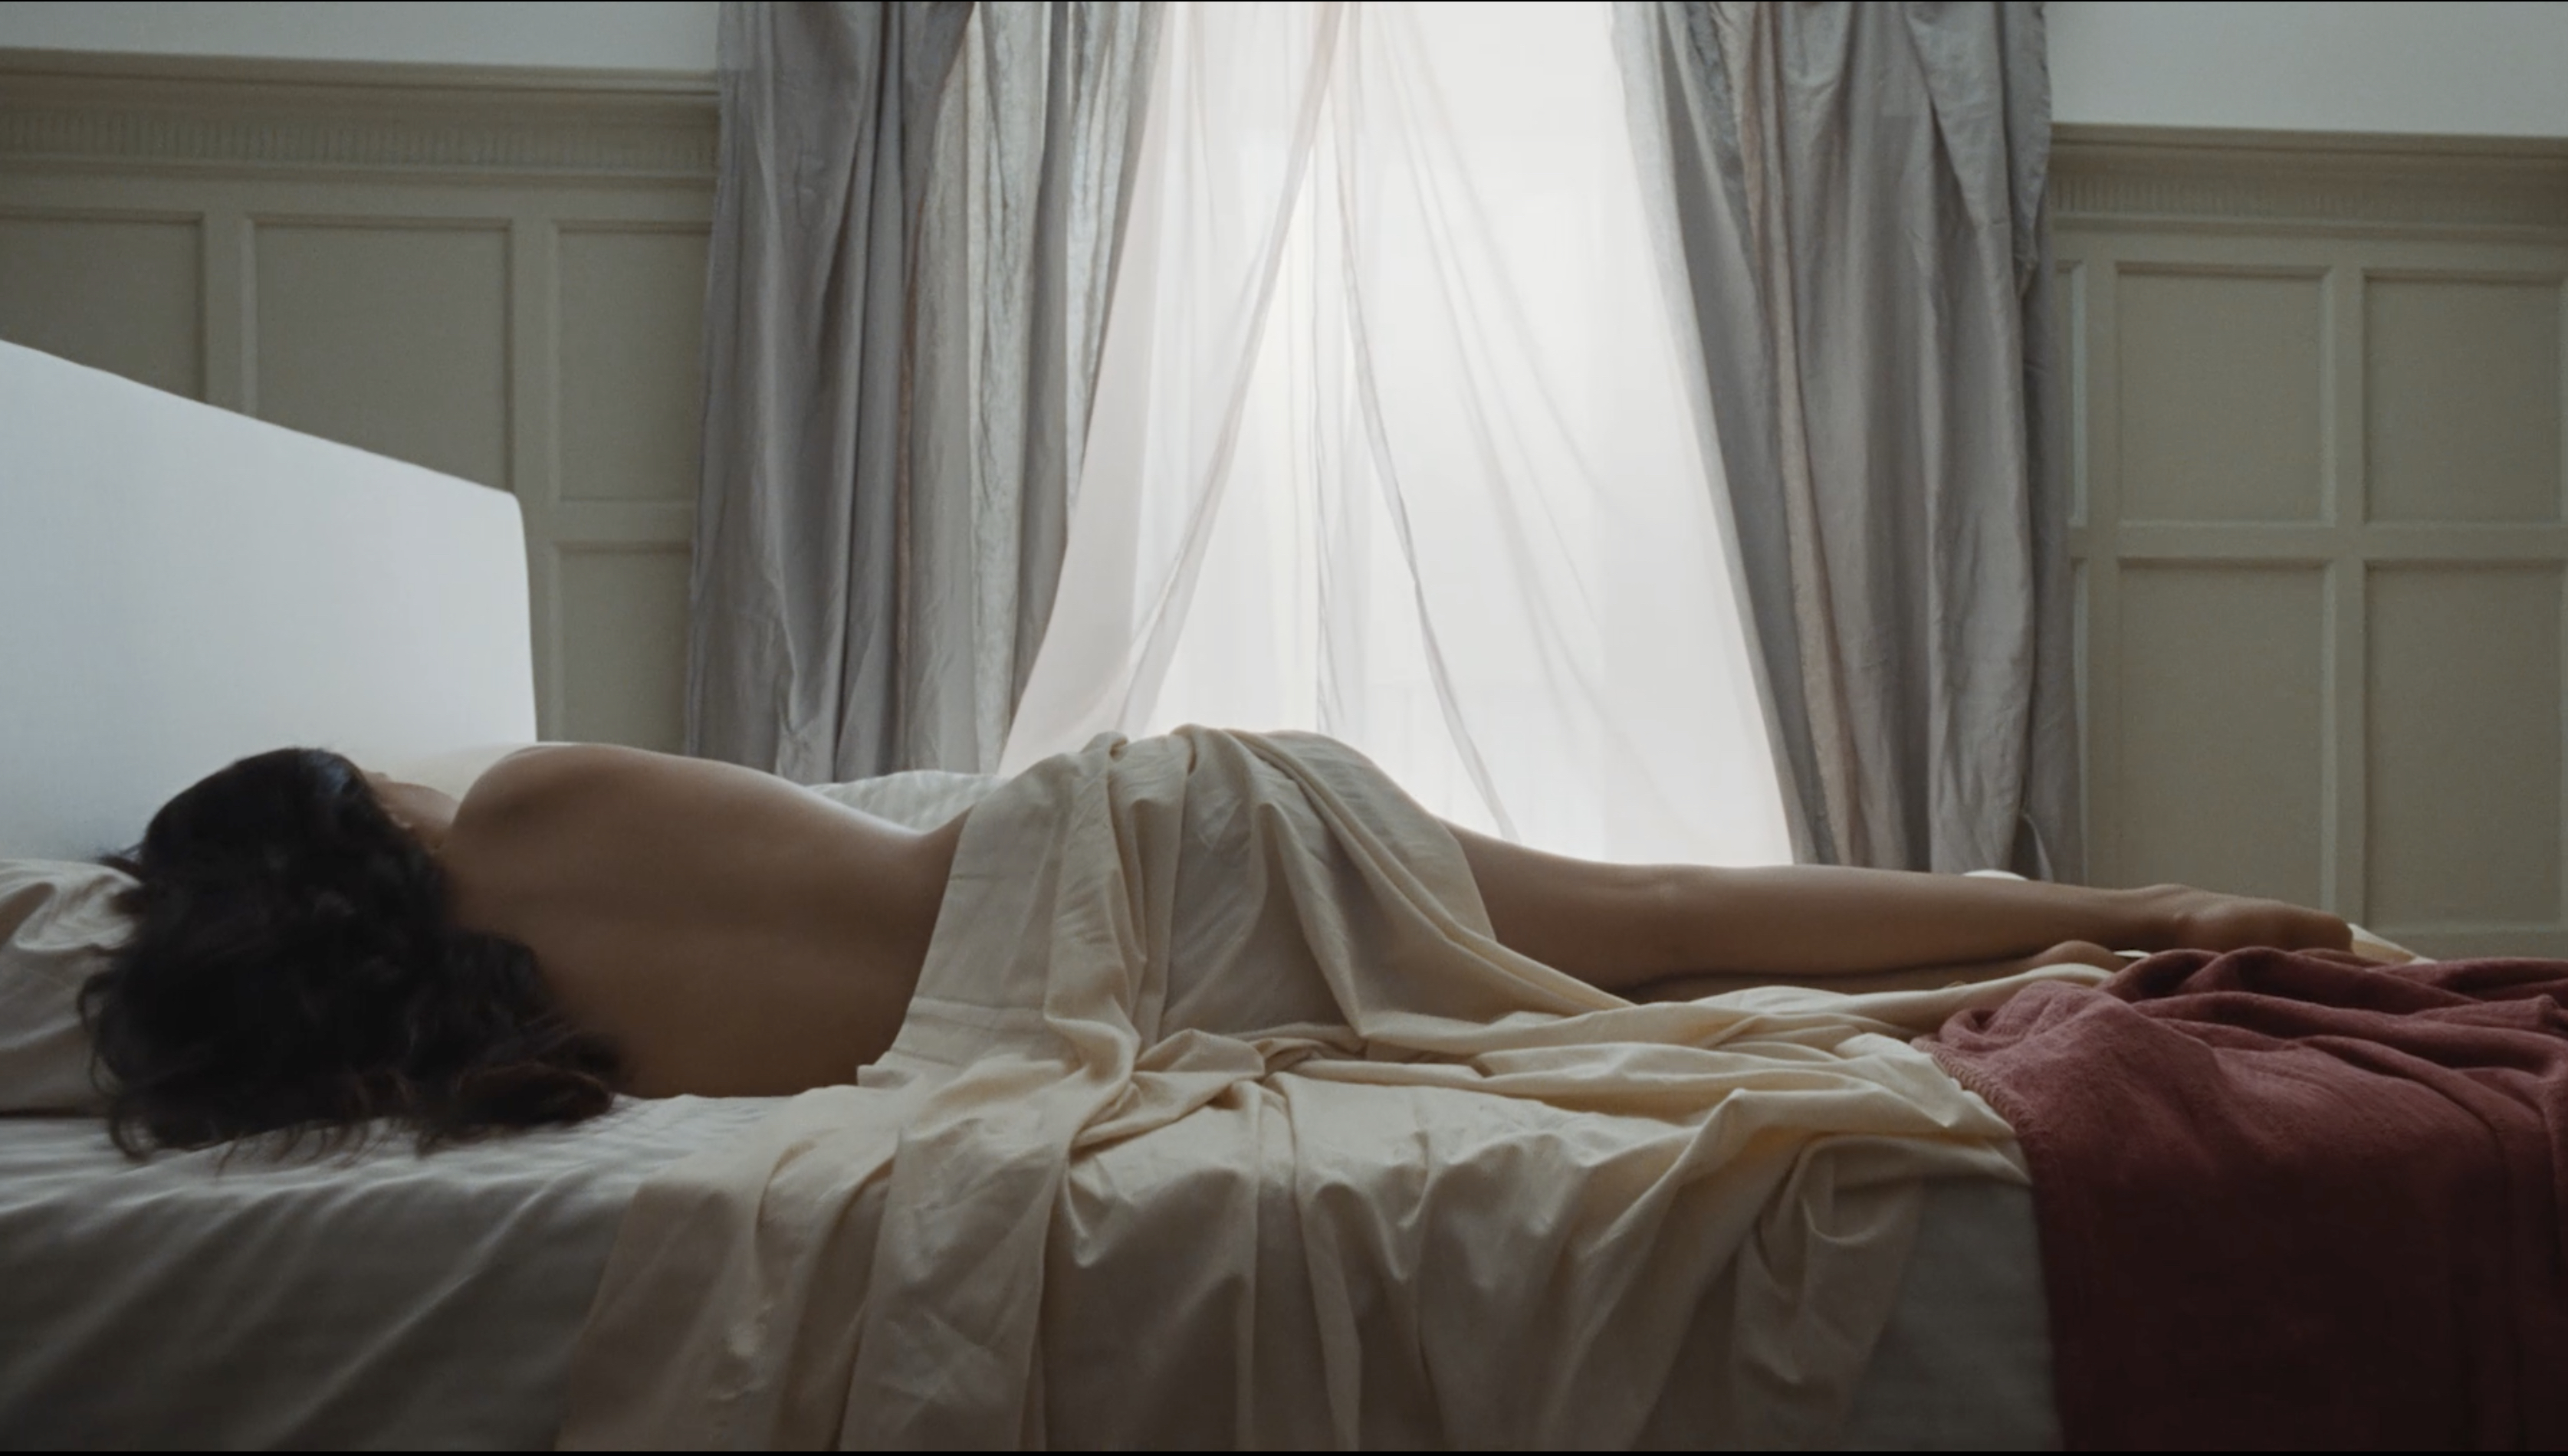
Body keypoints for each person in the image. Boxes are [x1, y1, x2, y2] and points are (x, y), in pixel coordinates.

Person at [83, 738, 2351, 1152]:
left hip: (1110, 1003)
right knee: (1655, 922)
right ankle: (2131, 913)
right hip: (1146, 841)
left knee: (1624, 996)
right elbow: (824, 827)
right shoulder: (535, 795)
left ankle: (2064, 965)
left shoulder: (504, 1064)